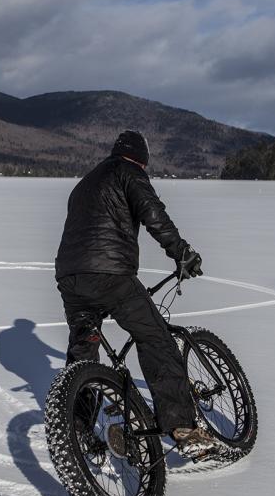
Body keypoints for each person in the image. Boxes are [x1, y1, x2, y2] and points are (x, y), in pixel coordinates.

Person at [54, 129, 221, 458]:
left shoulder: (84, 183)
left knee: (83, 350)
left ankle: (81, 429)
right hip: (111, 275)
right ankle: (183, 427)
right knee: (155, 337)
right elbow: (154, 215)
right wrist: (183, 254)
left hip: (70, 278)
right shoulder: (128, 172)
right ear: (141, 159)